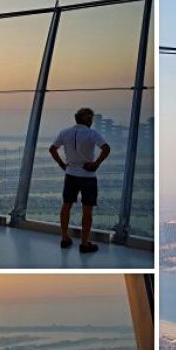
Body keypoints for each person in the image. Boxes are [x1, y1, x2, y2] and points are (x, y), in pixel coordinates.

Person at [49, 107, 111, 254]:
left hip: (70, 174)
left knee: (66, 206)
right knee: (87, 210)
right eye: (91, 118)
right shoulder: (91, 133)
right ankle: (84, 243)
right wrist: (96, 163)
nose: (92, 121)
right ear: (87, 119)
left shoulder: (65, 132)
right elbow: (106, 148)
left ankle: (65, 238)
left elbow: (52, 149)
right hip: (88, 177)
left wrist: (62, 164)